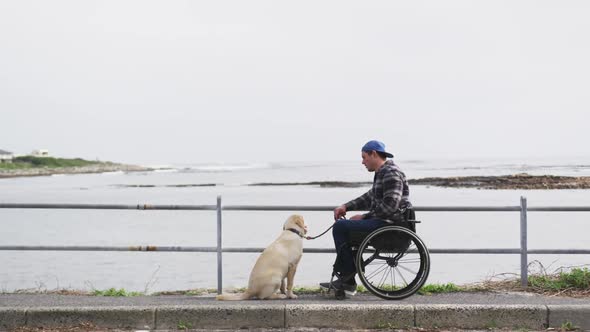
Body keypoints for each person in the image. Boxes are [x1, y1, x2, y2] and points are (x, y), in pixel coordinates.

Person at [319, 140, 412, 295]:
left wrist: (364, 217)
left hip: (390, 226)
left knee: (340, 227)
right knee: (346, 228)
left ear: (373, 154)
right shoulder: (382, 173)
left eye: (364, 157)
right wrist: (346, 207)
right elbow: (368, 198)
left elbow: (390, 206)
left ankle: (348, 279)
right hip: (382, 223)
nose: (363, 162)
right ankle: (348, 276)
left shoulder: (391, 173)